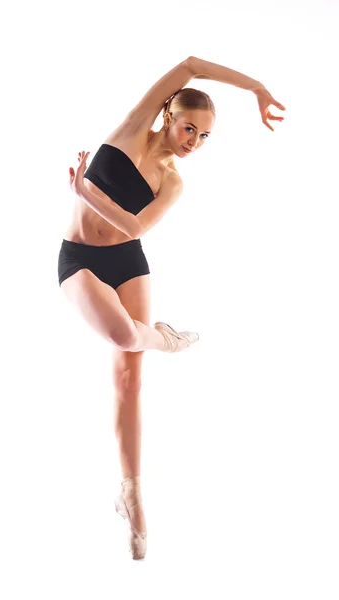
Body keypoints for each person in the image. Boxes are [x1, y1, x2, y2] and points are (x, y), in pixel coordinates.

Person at [57, 56, 285, 559]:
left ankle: (132, 494)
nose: (193, 142)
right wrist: (256, 87)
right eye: (189, 129)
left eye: (204, 137)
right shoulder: (132, 129)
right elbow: (191, 65)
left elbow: (135, 230)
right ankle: (164, 337)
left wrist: (84, 192)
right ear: (167, 116)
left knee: (130, 380)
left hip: (129, 260)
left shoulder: (173, 180)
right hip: (81, 260)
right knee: (123, 336)